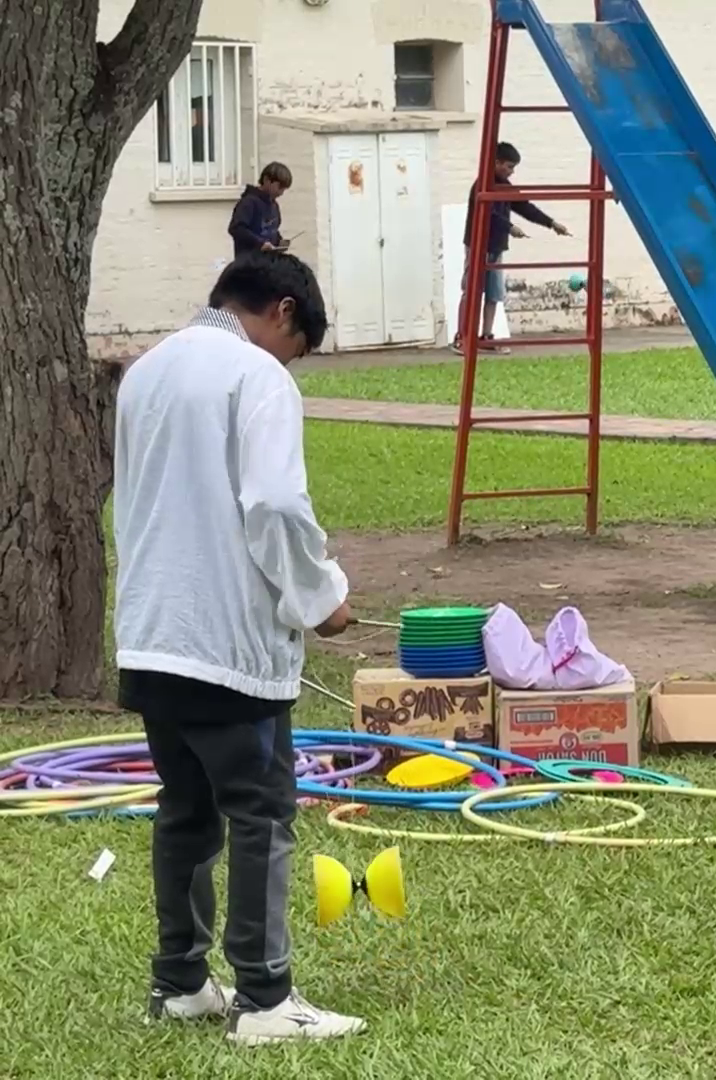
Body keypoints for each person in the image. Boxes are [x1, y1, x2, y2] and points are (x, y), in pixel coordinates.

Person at [115, 252, 366, 1045]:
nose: (292, 366)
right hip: (226, 641)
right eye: (298, 350)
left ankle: (180, 981)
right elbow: (277, 506)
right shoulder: (257, 378)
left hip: (152, 636)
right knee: (260, 812)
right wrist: (321, 598)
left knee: (185, 811)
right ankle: (265, 999)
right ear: (283, 312)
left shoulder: (146, 371)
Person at [454, 141, 571, 355]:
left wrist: (551, 223)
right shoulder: (482, 185)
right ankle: (463, 337)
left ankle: (486, 336)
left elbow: (524, 206)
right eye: (509, 166)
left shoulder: (505, 186)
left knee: (493, 293)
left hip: (496, 247)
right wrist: (510, 227)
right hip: (478, 245)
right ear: (496, 163)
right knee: (472, 291)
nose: (511, 172)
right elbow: (489, 213)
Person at [227, 162, 291, 260]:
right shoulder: (249, 202)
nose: (281, 193)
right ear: (266, 180)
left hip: (268, 263)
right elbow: (236, 228)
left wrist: (279, 242)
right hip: (249, 263)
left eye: (284, 189)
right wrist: (260, 244)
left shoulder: (274, 205)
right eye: (279, 187)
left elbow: (271, 230)